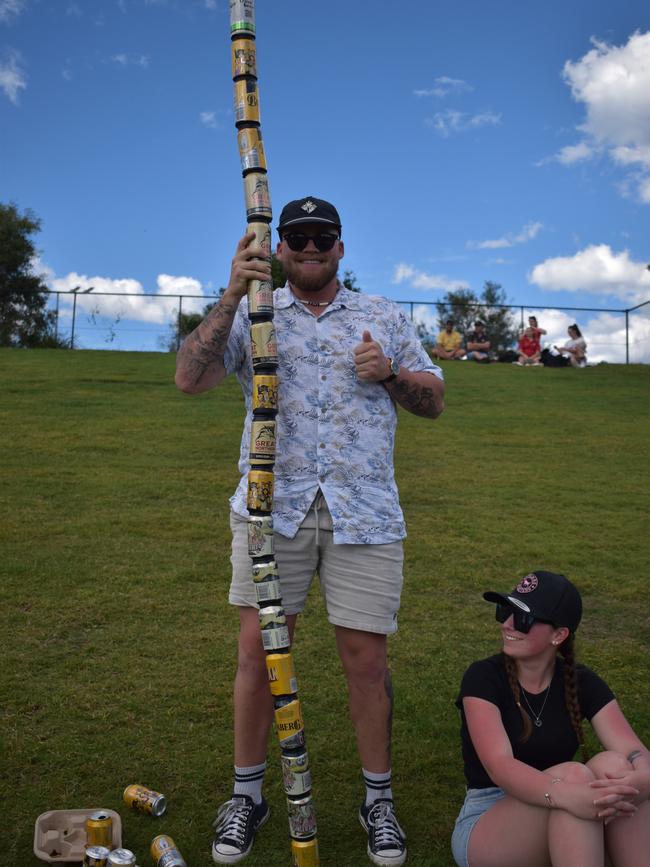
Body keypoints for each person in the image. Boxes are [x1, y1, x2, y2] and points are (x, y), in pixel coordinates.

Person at [175, 196, 445, 866]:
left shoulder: (382, 315)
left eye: (322, 236)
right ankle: (247, 795)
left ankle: (377, 801)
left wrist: (389, 376)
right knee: (259, 657)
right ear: (281, 248)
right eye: (296, 237)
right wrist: (234, 289)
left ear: (341, 248)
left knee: (366, 661)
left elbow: (434, 399)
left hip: (366, 514)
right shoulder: (253, 313)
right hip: (272, 508)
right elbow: (189, 378)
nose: (309, 246)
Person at [451, 570, 650, 867]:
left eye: (522, 618)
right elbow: (499, 766)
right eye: (506, 611)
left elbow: (633, 751)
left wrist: (642, 779)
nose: (507, 624)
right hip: (490, 818)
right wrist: (567, 793)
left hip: (563, 800)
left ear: (559, 635)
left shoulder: (580, 681)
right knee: (575, 776)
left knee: (616, 768)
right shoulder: (482, 677)